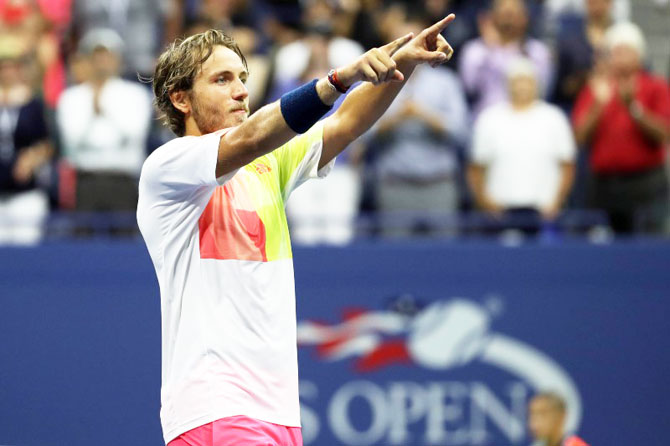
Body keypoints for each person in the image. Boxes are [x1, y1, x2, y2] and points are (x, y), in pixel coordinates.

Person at [137, 15, 456, 446]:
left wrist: (402, 66)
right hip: (216, 408)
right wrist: (338, 79)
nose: (241, 90)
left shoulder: (268, 163)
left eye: (244, 77)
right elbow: (250, 138)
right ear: (181, 99)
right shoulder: (168, 168)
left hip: (279, 414)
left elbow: (344, 126)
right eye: (223, 79)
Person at [365, 10, 469, 237]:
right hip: (395, 184)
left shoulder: (445, 82)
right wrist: (397, 118)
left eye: (412, 42)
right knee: (395, 262)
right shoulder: (376, 83)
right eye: (402, 43)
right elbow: (362, 134)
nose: (408, 49)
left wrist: (423, 115)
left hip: (438, 184)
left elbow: (462, 133)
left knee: (445, 260)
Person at [573, 22, 670, 234]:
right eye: (616, 51)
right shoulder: (596, 87)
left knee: (649, 249)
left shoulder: (656, 86)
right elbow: (579, 137)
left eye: (627, 51)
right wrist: (597, 107)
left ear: (640, 56)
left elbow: (664, 134)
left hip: (646, 183)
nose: (621, 57)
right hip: (604, 185)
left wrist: (633, 108)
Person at [468, 58, 576, 235]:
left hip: (544, 211)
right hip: (500, 212)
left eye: (527, 81)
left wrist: (557, 202)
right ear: (507, 85)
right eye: (517, 81)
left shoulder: (554, 118)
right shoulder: (489, 118)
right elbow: (476, 168)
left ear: (537, 84)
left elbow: (567, 165)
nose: (522, 86)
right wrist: (485, 203)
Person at [57, 28, 151, 229]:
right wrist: (94, 106)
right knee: (81, 249)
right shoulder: (71, 97)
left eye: (107, 56)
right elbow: (72, 140)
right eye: (96, 56)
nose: (102, 62)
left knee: (124, 249)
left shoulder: (135, 94)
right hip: (85, 182)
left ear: (118, 59)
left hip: (123, 180)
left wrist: (103, 106)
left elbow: (134, 134)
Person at [458, 0, 553, 119]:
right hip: (486, 120)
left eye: (513, 15)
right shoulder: (475, 50)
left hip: (528, 121)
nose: (509, 21)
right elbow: (469, 87)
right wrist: (490, 49)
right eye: (505, 14)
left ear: (525, 18)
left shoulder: (537, 52)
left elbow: (542, 91)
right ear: (492, 17)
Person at [0, 33, 53, 245]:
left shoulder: (33, 103)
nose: (8, 71)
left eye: (13, 66)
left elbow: (47, 144)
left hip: (25, 192)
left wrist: (33, 157)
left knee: (25, 252)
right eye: (4, 66)